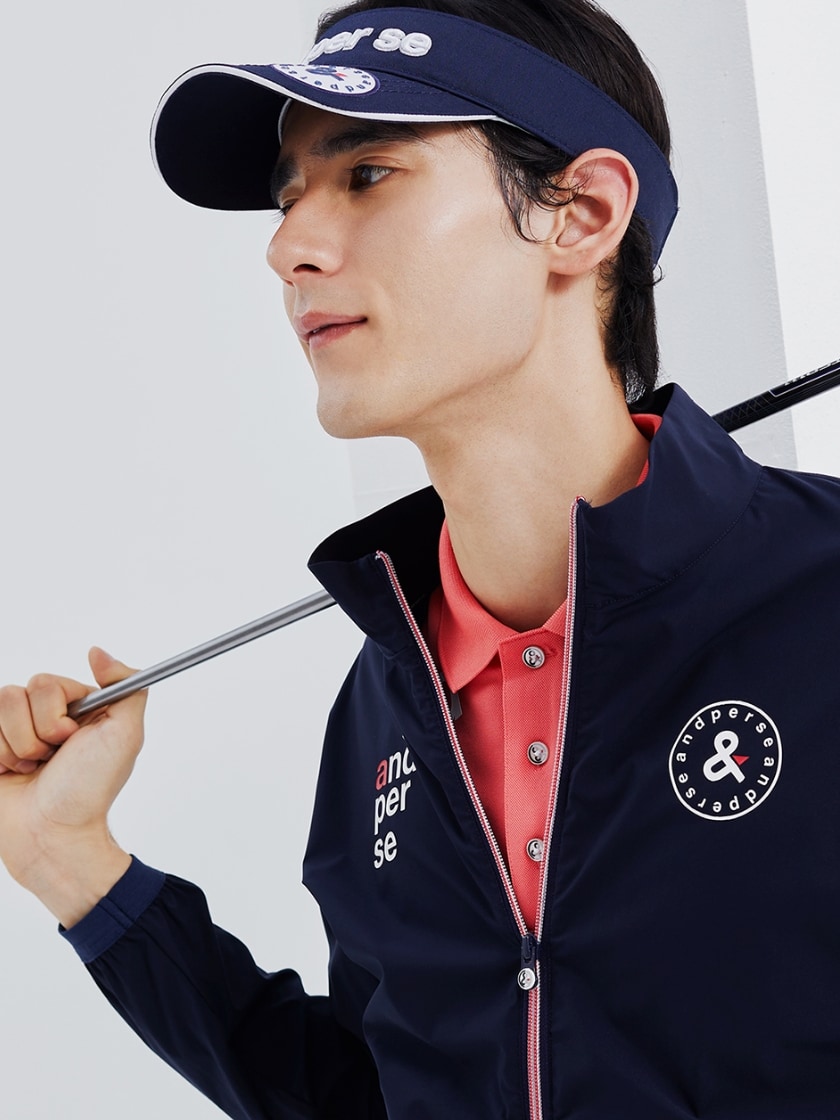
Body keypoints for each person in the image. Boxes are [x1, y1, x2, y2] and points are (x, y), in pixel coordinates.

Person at [1, 1, 839, 1117]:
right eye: (289, 197)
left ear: (582, 215)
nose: (286, 248)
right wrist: (70, 861)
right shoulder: (381, 711)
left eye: (367, 175)